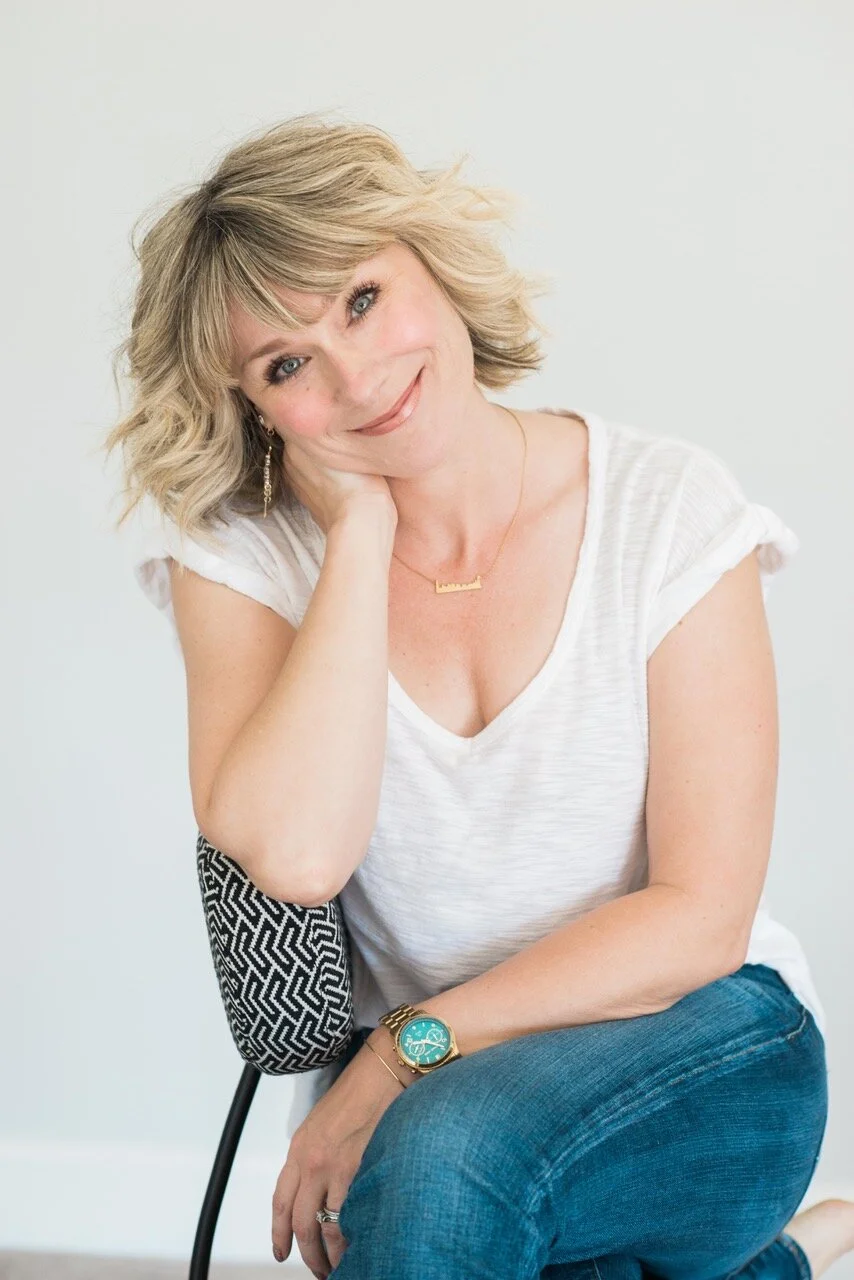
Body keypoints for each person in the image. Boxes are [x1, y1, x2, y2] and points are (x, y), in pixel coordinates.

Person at [105, 112, 853, 1280]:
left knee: (446, 1156)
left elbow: (698, 917)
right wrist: (358, 531)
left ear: (429, 260)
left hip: (704, 1044)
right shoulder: (244, 562)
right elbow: (296, 853)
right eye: (286, 365)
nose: (356, 376)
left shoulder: (664, 507)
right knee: (465, 1183)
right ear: (252, 406)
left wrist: (400, 1054)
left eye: (361, 299)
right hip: (432, 1101)